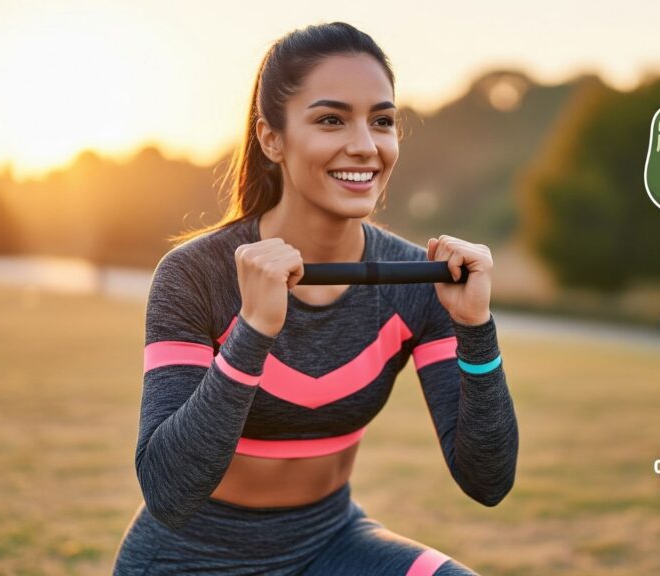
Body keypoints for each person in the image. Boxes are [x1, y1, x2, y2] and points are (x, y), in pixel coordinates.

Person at [112, 21, 519, 575]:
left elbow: (487, 481)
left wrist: (475, 326)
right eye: (331, 119)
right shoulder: (195, 275)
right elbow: (168, 489)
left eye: (382, 121)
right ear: (271, 138)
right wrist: (252, 331)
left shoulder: (421, 281)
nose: (364, 145)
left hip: (330, 544)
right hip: (190, 557)